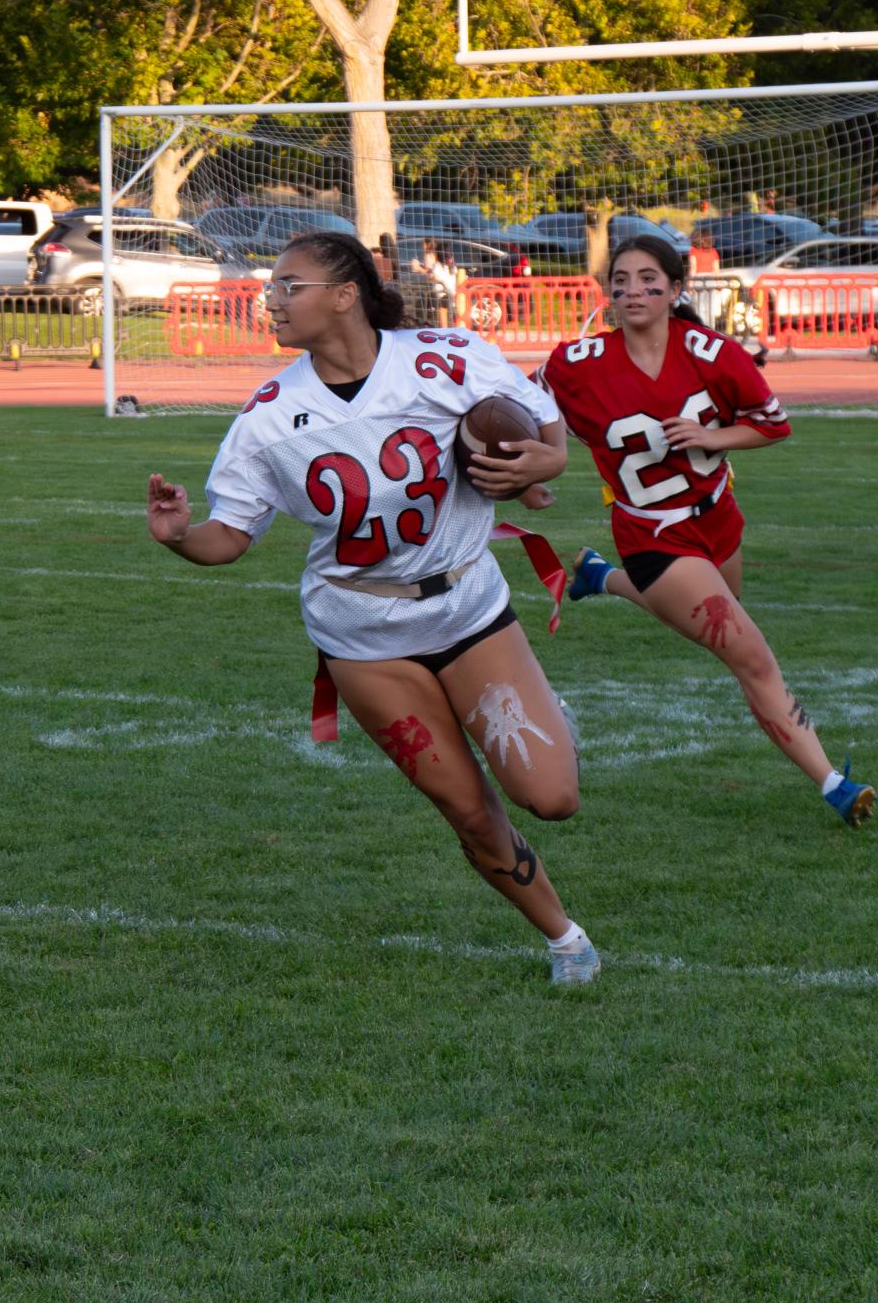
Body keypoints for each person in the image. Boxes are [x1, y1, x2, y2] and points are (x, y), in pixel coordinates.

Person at [145, 231, 603, 984]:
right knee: (465, 808)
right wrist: (178, 536)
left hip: (463, 603)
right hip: (361, 632)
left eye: (290, 285)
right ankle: (564, 939)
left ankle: (545, 724)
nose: (272, 298)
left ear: (346, 293)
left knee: (550, 797)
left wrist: (544, 462)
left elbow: (542, 430)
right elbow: (229, 537)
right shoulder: (267, 413)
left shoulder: (444, 357)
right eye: (271, 286)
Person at [545, 235, 875, 826]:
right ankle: (833, 783)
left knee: (732, 625)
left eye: (649, 278)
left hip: (719, 518)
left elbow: (774, 426)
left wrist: (713, 437)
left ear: (676, 289)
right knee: (752, 658)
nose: (633, 289)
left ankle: (599, 578)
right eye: (620, 279)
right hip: (653, 533)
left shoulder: (715, 353)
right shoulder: (576, 364)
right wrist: (533, 471)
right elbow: (521, 411)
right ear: (608, 292)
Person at [408, 237, 458, 327]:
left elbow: (432, 275)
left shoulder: (438, 265)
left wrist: (418, 268)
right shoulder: (451, 266)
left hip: (441, 295)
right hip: (450, 295)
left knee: (442, 317)